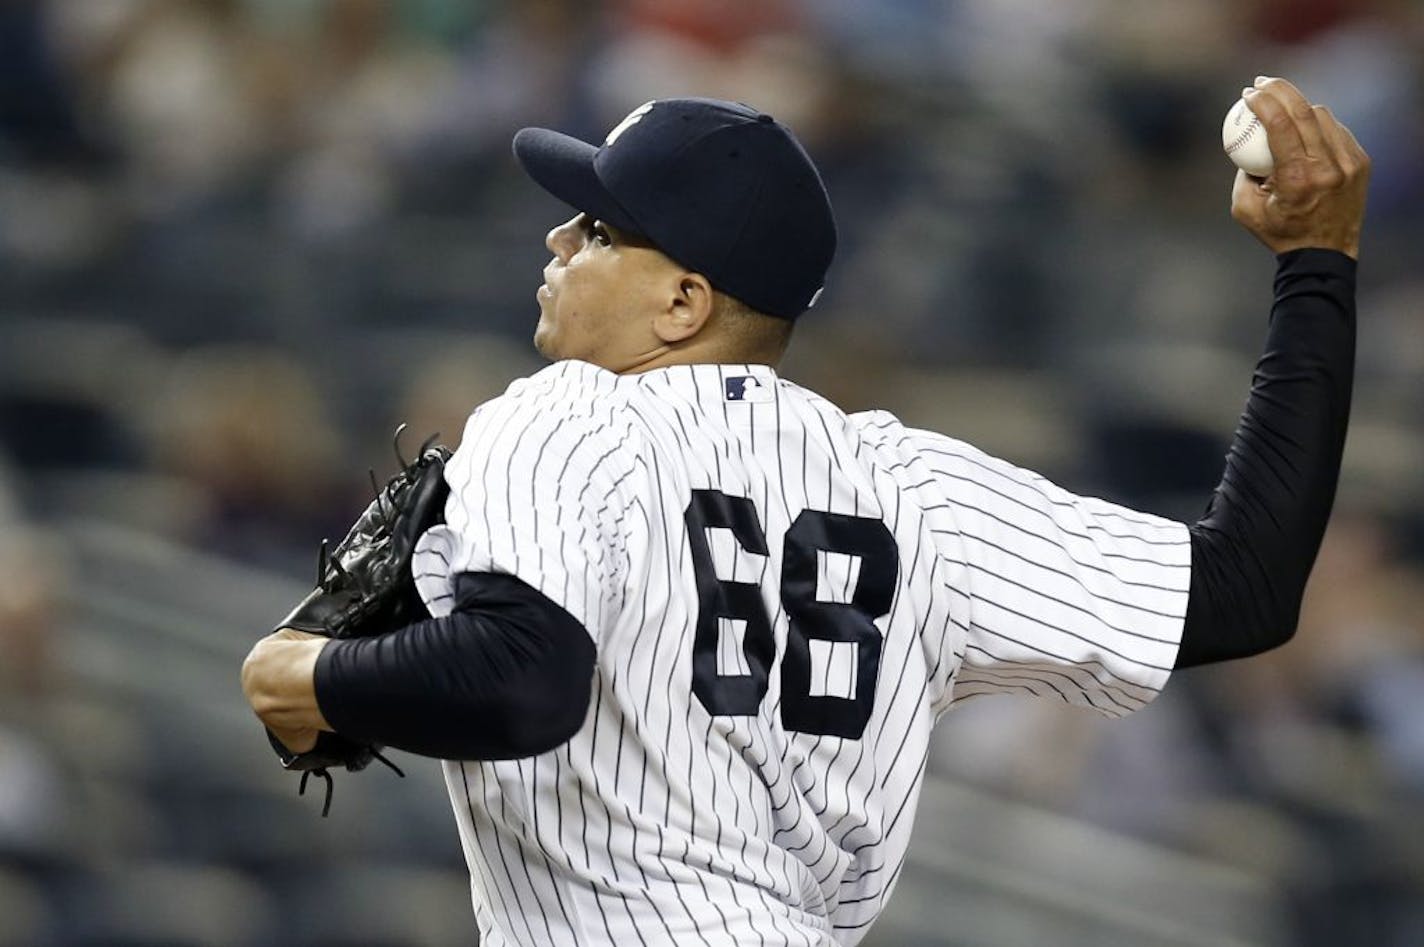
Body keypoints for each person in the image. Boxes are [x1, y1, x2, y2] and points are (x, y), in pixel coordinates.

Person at [242, 79, 1369, 945]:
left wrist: (309, 677)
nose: (556, 242)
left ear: (683, 301)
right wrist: (1314, 266)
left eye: (593, 230)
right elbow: (1244, 587)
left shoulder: (570, 415)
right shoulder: (909, 485)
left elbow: (521, 679)